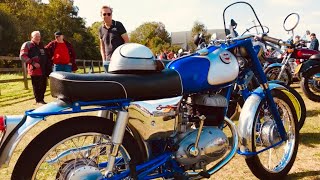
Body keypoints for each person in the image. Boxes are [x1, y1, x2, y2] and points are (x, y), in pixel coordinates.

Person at [19, 31, 51, 105]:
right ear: (32, 37)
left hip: (44, 69)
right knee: (37, 86)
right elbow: (22, 56)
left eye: (39, 36)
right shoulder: (27, 44)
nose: (38, 38)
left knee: (43, 85)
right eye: (36, 36)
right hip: (35, 70)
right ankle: (38, 101)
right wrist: (32, 63)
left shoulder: (42, 45)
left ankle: (42, 100)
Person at [99, 5, 129, 71]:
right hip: (107, 61)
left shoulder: (118, 25)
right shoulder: (100, 29)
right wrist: (104, 59)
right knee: (108, 80)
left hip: (119, 61)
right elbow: (102, 46)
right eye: (104, 14)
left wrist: (122, 57)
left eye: (109, 14)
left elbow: (126, 41)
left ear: (111, 15)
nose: (106, 16)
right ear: (101, 16)